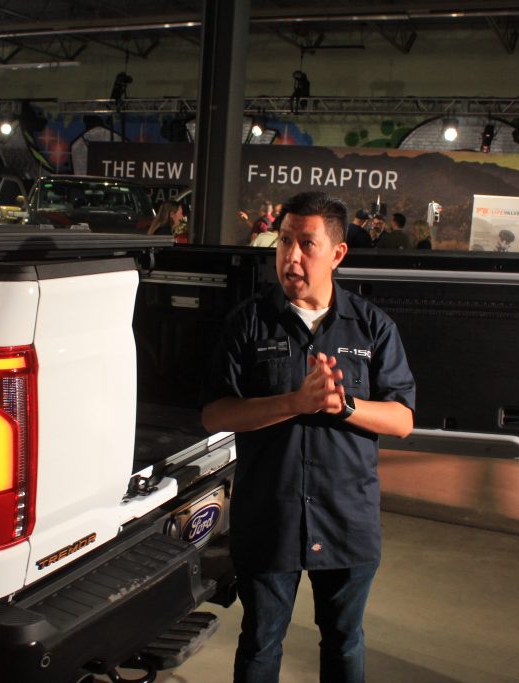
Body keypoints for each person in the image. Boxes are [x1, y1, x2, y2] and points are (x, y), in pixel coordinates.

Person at [201, 191, 416, 683]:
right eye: (283, 242)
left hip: (347, 520)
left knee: (343, 643)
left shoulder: (372, 328)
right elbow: (215, 414)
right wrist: (293, 403)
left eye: (306, 244)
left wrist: (345, 406)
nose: (290, 256)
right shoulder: (248, 324)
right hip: (269, 519)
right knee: (260, 642)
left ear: (337, 253)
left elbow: (402, 419)